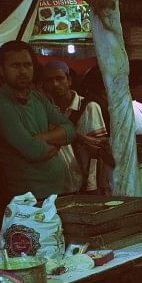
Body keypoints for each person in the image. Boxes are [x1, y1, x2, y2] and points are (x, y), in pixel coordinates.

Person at [0, 41, 77, 202]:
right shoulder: (0, 106)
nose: (23, 71)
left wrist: (42, 138)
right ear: (1, 70)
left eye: (27, 65)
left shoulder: (37, 98)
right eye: (15, 66)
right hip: (27, 199)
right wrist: (57, 141)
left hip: (56, 192)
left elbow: (70, 130)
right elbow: (34, 150)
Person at [41, 61, 90, 194]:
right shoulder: (43, 110)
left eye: (59, 78)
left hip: (84, 184)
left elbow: (97, 146)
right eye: (49, 80)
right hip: (55, 186)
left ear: (69, 80)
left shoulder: (88, 107)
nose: (55, 84)